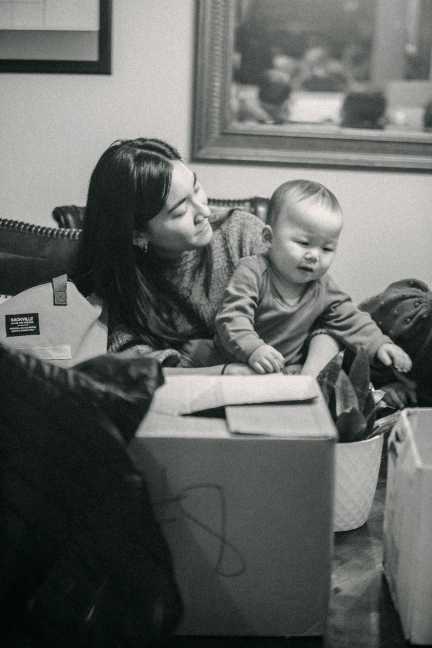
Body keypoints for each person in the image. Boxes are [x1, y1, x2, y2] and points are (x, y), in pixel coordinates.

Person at [77, 138, 340, 376]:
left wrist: (309, 380)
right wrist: (222, 373)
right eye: (180, 211)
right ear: (137, 234)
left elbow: (329, 316)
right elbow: (132, 367)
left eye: (196, 188)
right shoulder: (122, 283)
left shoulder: (242, 233)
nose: (204, 211)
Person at [214, 179, 412, 377]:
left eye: (327, 248)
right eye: (304, 243)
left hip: (287, 368)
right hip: (235, 360)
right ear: (268, 237)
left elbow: (350, 317)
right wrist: (254, 349)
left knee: (329, 348)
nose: (315, 255)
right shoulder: (252, 271)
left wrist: (380, 344)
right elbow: (233, 317)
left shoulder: (322, 285)